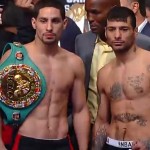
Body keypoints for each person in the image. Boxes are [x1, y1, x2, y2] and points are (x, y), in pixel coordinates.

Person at [0, 0, 90, 150]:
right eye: (43, 21)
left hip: (61, 142)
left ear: (65, 23)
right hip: (26, 141)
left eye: (55, 21)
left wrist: (83, 148)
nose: (49, 27)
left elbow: (80, 110)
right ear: (34, 23)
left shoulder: (74, 63)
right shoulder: (15, 57)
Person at [92, 6, 150, 150]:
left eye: (124, 29)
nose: (117, 35)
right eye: (112, 29)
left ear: (135, 32)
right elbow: (102, 121)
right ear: (106, 32)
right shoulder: (104, 73)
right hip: (112, 144)